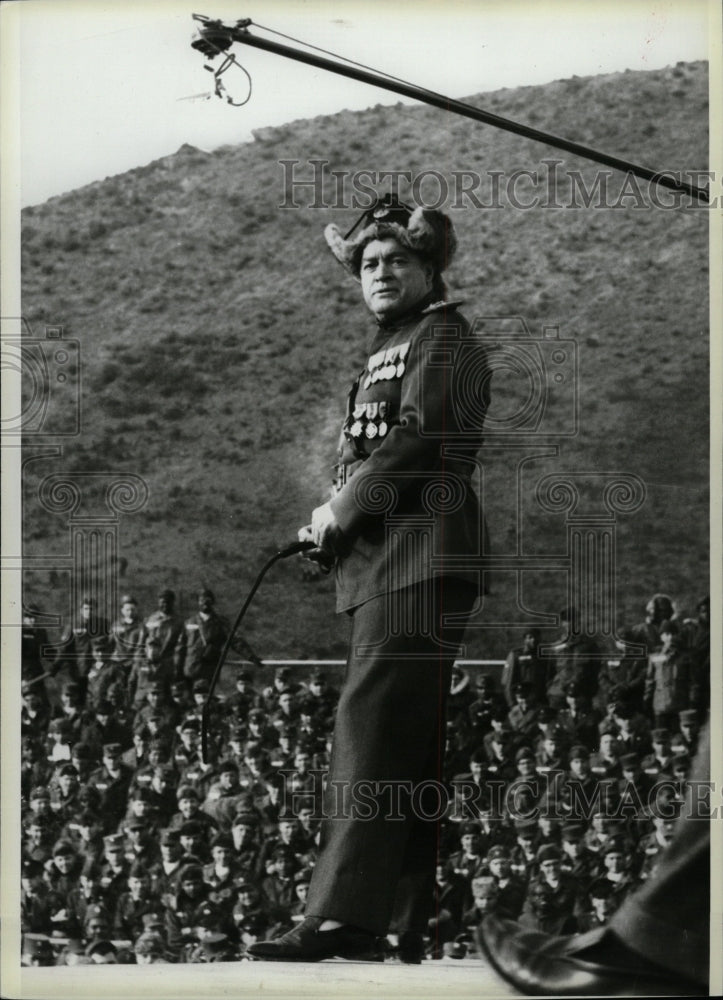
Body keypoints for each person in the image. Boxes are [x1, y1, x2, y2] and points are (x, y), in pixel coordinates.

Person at [249, 194, 489, 963]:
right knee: (404, 745)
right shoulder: (397, 341)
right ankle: (394, 920)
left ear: (429, 268)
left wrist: (341, 511)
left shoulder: (443, 335)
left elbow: (419, 442)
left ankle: (339, 917)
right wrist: (332, 527)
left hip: (419, 556)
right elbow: (372, 453)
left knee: (369, 735)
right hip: (389, 561)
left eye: (396, 261)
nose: (380, 273)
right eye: (368, 264)